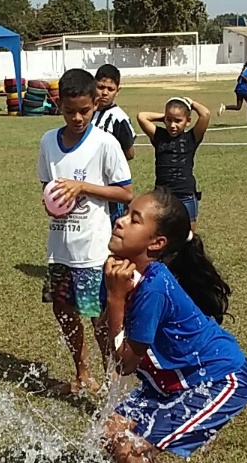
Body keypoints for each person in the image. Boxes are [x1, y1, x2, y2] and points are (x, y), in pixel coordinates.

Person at [101, 187, 247, 463]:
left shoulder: (150, 287)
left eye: (134, 219)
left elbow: (123, 363)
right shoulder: (121, 270)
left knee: (126, 446)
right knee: (112, 433)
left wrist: (117, 301)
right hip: (169, 380)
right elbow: (110, 340)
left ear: (156, 243)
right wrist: (113, 300)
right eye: (126, 213)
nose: (121, 220)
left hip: (217, 378)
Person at [38, 68, 133, 395]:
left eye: (85, 110)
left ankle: (113, 383)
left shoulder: (105, 144)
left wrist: (83, 187)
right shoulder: (49, 141)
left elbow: (126, 192)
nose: (77, 117)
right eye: (69, 111)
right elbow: (47, 186)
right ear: (59, 105)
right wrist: (50, 202)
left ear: (96, 103)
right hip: (59, 248)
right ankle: (82, 374)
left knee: (98, 320)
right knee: (63, 312)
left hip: (92, 251)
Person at [136, 97, 211, 231]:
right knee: (162, 233)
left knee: (188, 236)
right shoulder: (159, 136)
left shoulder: (191, 138)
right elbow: (142, 116)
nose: (172, 125)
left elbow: (205, 114)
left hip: (185, 195)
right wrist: (165, 116)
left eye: (178, 121)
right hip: (162, 195)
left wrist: (191, 103)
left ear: (188, 121)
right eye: (169, 120)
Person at [92, 64, 137, 224]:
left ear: (117, 91)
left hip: (111, 185)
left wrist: (108, 160)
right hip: (89, 180)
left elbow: (130, 153)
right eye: (101, 87)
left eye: (110, 89)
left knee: (111, 227)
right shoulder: (87, 111)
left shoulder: (118, 118)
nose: (104, 93)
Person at [217, 55, 247, 126]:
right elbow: (243, 76)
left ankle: (224, 107)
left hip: (239, 89)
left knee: (238, 107)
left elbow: (239, 77)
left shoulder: (246, 68)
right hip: (244, 90)